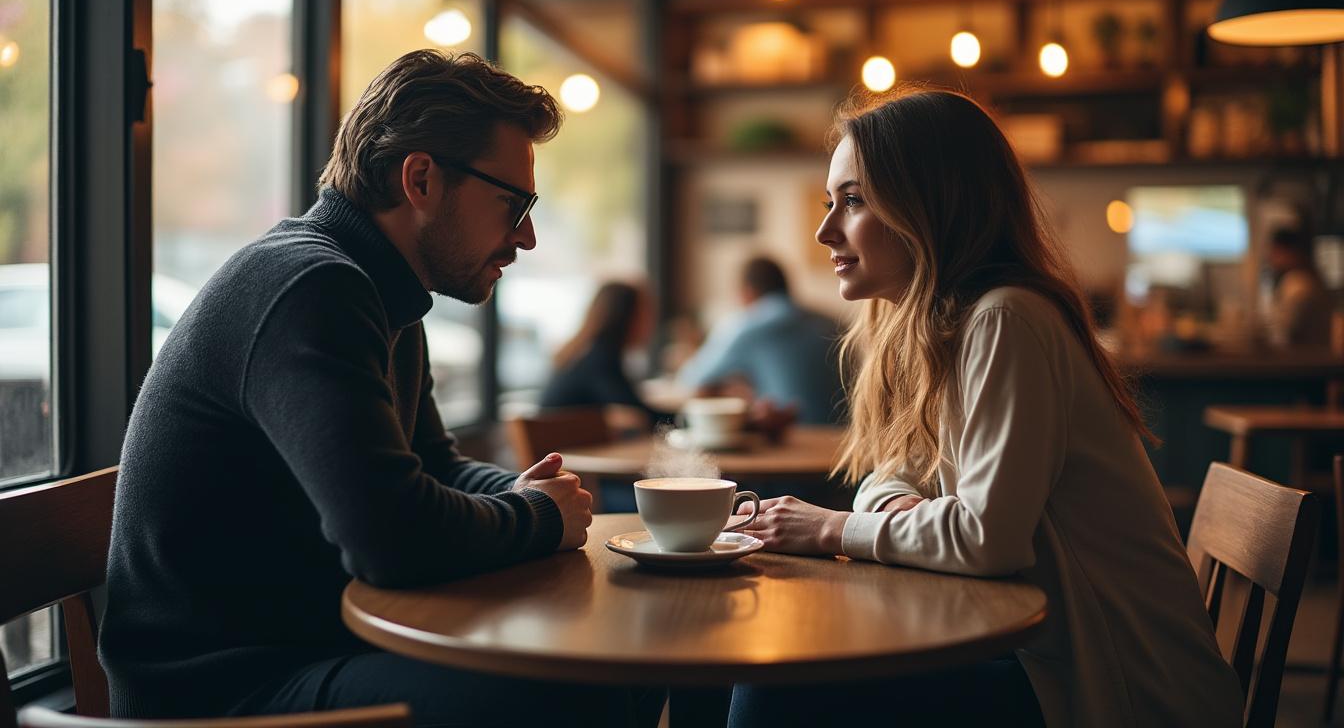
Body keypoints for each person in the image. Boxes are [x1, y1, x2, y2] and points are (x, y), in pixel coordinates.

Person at [99, 51, 659, 727]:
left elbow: (435, 466)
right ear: (420, 178)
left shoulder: (382, 295)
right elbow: (392, 542)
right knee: (581, 686)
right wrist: (536, 517)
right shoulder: (311, 288)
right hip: (221, 694)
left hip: (306, 650)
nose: (527, 237)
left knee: (617, 661)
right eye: (513, 203)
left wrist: (521, 495)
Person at [728, 89, 1243, 727]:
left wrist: (831, 529)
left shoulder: (1006, 319)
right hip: (1038, 653)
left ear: (931, 203)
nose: (825, 228)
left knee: (769, 685)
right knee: (742, 662)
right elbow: (891, 474)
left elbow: (986, 540)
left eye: (853, 199)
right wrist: (896, 506)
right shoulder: (947, 325)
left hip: (1114, 689)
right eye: (831, 200)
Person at [677, 256, 844, 425]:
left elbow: (691, 379)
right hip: (845, 436)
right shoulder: (830, 323)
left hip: (795, 436)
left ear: (747, 292)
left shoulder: (746, 325)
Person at [539, 281, 671, 426]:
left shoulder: (588, 350)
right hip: (569, 447)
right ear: (626, 317)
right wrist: (685, 419)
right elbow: (637, 412)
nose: (652, 324)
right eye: (646, 315)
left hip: (569, 445)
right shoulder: (600, 358)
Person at [1266, 225, 1334, 350]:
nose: (1270, 257)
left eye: (1275, 251)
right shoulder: (1311, 279)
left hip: (1303, 363)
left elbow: (1285, 333)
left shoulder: (1298, 284)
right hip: (1316, 360)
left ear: (1290, 251)